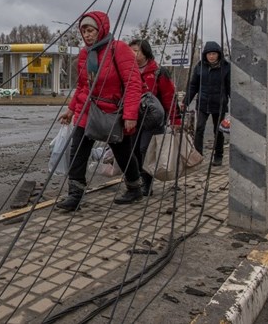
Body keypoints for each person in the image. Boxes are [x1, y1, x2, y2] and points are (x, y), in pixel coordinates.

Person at [57, 11, 146, 210]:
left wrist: (130, 114)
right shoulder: (84, 54)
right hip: (87, 110)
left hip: (112, 112)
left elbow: (133, 83)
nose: (87, 35)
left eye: (91, 30)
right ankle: (75, 195)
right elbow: (82, 86)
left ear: (101, 29)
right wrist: (71, 110)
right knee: (78, 151)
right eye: (83, 31)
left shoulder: (119, 49)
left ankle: (134, 187)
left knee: (122, 153)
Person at [128, 39, 182, 196]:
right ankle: (135, 181)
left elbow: (168, 97)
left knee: (146, 149)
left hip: (153, 119)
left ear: (145, 52)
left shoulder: (158, 71)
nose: (133, 53)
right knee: (133, 150)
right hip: (132, 117)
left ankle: (147, 183)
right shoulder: (127, 71)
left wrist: (175, 119)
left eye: (136, 50)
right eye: (130, 50)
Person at [180, 41, 231, 166]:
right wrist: (185, 102)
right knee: (199, 129)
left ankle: (218, 156)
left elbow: (230, 87)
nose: (211, 56)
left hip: (219, 104)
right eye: (209, 54)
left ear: (219, 54)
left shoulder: (226, 67)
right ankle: (198, 155)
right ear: (205, 55)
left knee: (218, 130)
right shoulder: (200, 67)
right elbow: (193, 86)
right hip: (203, 103)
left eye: (214, 54)